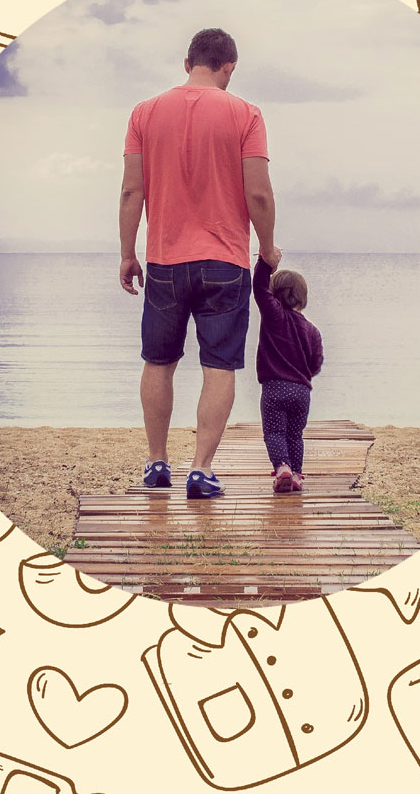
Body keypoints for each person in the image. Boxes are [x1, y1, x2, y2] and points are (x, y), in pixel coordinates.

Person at [119, 28, 281, 498]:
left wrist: (129, 252)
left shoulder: (144, 113)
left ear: (186, 62)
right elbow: (258, 192)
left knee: (158, 362)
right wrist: (267, 247)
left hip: (164, 260)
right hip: (225, 261)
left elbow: (132, 190)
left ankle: (155, 464)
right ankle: (201, 470)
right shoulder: (246, 113)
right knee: (219, 367)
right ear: (229, 66)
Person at [252, 258, 323, 493]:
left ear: (274, 295)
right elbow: (316, 363)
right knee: (295, 435)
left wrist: (266, 261)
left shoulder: (275, 317)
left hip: (274, 388)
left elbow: (258, 287)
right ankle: (296, 475)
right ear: (303, 298)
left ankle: (282, 466)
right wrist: (303, 376)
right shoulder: (312, 330)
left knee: (274, 432)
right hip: (302, 392)